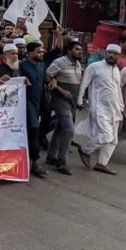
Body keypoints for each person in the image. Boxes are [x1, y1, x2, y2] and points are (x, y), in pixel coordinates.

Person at [77, 44, 125, 175]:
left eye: (114, 53)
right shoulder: (94, 66)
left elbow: (117, 89)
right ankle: (85, 149)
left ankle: (101, 164)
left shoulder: (116, 70)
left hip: (115, 108)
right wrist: (79, 100)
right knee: (106, 135)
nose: (111, 55)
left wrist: (121, 106)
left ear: (119, 56)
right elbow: (84, 83)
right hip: (99, 107)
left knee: (113, 140)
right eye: (109, 52)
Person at [44, 41, 83, 175]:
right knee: (69, 129)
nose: (80, 51)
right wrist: (61, 90)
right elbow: (47, 75)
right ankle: (62, 161)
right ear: (69, 51)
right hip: (60, 100)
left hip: (71, 101)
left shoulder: (78, 64)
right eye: (77, 49)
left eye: (80, 49)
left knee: (60, 128)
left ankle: (51, 156)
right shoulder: (59, 62)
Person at [20, 41, 48, 178]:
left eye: (42, 51)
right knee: (33, 129)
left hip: (40, 101)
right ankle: (35, 162)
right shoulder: (22, 65)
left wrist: (52, 80)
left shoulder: (42, 65)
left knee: (43, 125)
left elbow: (44, 79)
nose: (41, 54)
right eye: (38, 52)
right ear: (30, 53)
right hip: (27, 102)